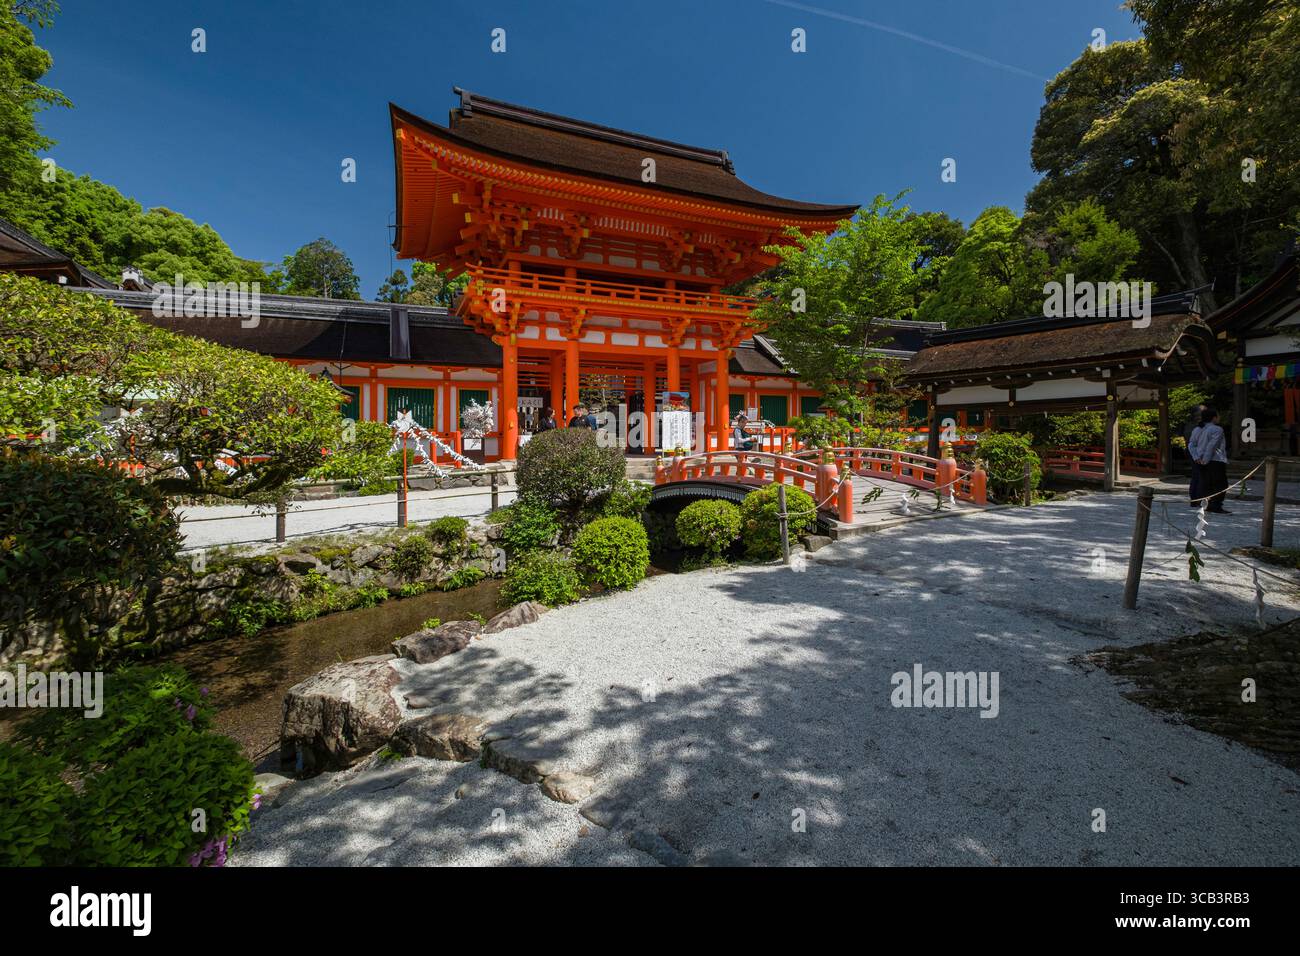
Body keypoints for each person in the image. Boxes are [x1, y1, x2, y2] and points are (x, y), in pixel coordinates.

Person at [1191, 406, 1230, 514]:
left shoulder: (1198, 429)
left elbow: (1191, 445)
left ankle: (1206, 504)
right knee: (1221, 484)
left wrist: (1197, 457)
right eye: (1218, 415)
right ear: (1214, 418)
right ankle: (1216, 505)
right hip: (1215, 460)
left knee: (1206, 483)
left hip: (1200, 459)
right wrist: (1206, 460)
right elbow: (1212, 446)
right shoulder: (1217, 429)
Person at [1186, 404, 1206, 508]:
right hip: (1197, 454)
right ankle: (1197, 499)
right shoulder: (1196, 427)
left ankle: (1195, 499)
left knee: (1196, 476)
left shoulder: (1192, 426)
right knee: (1199, 476)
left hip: (1195, 453)